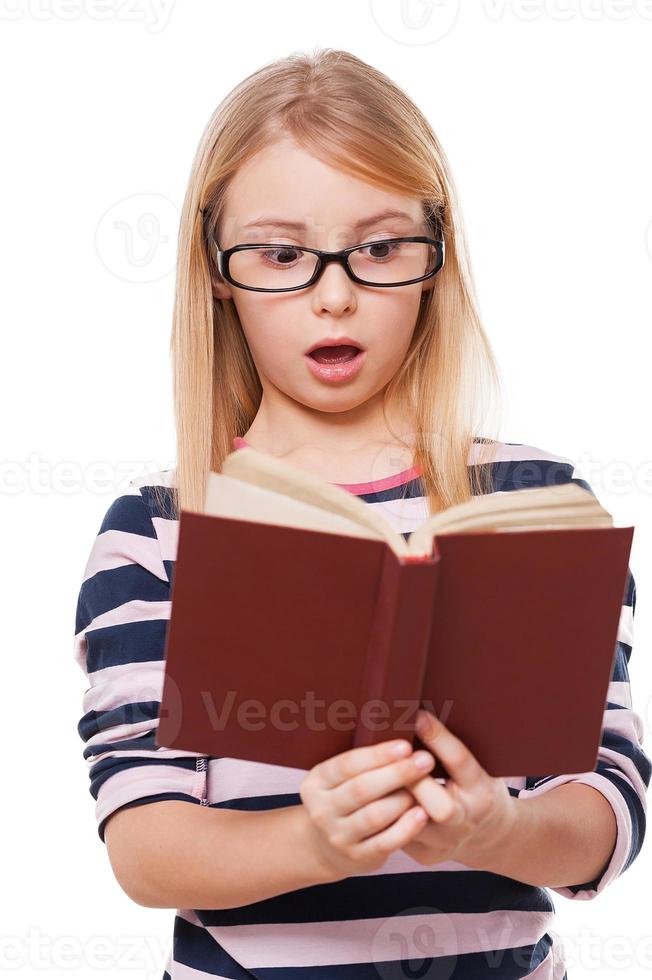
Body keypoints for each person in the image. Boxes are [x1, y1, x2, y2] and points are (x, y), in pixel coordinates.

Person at [73, 47, 650, 979]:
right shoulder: (158, 532)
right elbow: (144, 844)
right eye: (282, 254)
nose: (334, 293)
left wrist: (500, 828)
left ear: (435, 260)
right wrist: (317, 842)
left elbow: (605, 812)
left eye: (380, 248)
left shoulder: (534, 505)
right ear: (218, 270)